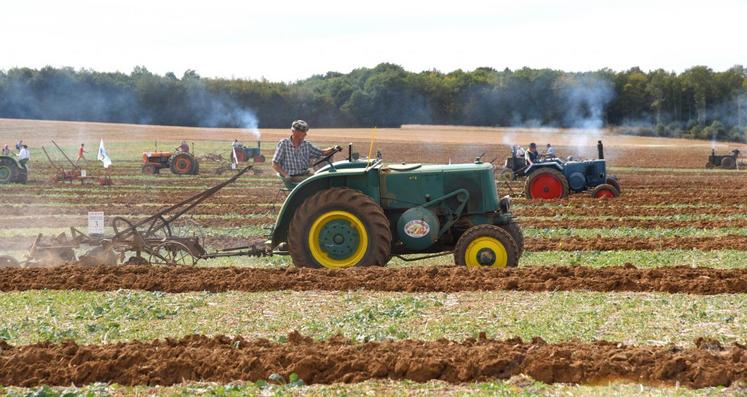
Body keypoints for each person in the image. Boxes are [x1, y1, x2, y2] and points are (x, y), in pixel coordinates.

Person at [272, 120, 340, 189]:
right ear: (294, 131)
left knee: (323, 179)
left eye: (305, 132)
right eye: (303, 132)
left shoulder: (306, 145)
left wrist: (333, 148)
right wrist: (285, 175)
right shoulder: (284, 143)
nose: (305, 134)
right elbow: (275, 163)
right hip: (292, 177)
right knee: (320, 183)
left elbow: (322, 152)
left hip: (304, 175)